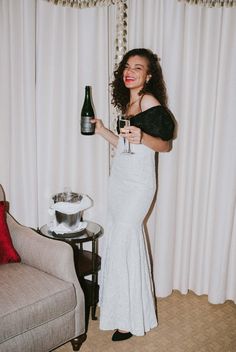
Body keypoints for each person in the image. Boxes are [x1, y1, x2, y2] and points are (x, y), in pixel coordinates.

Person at [92, 48, 175, 341]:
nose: (130, 71)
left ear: (148, 75)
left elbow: (164, 145)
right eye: (127, 67)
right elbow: (126, 146)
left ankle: (130, 318)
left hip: (139, 184)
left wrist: (143, 136)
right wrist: (102, 130)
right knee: (117, 238)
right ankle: (118, 309)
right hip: (120, 179)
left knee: (127, 237)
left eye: (137, 68)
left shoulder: (148, 100)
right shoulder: (128, 104)